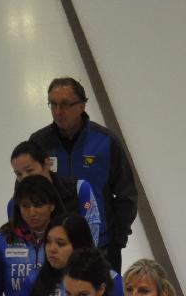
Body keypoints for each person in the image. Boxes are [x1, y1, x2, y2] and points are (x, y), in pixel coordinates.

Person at [30, 77, 137, 272]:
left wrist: (118, 240)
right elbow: (27, 193)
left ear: (82, 106)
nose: (58, 111)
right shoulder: (39, 143)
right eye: (53, 104)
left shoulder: (106, 141)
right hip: (54, 249)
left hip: (101, 248)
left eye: (65, 104)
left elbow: (126, 194)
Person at [8, 140, 102, 244]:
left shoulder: (80, 189)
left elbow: (91, 239)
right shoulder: (14, 204)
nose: (24, 178)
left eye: (29, 170)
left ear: (47, 163)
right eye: (19, 174)